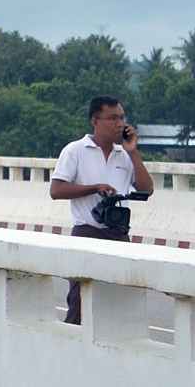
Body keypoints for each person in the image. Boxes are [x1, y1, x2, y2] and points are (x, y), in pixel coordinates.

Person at [51, 95, 153, 324]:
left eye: (122, 118)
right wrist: (94, 188)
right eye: (112, 118)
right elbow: (56, 190)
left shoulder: (124, 155)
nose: (120, 123)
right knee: (81, 306)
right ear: (95, 121)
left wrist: (133, 152)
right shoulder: (75, 150)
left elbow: (147, 189)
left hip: (118, 235)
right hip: (88, 233)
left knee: (119, 306)